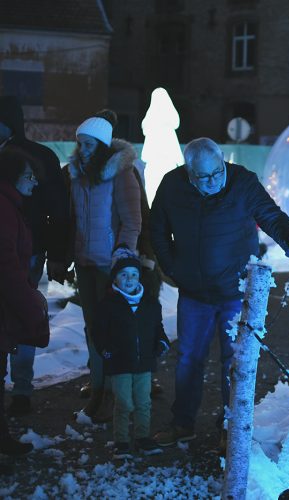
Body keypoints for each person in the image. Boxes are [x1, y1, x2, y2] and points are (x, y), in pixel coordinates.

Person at [150, 137, 289, 447]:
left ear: (223, 163)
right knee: (189, 360)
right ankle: (183, 423)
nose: (212, 181)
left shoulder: (242, 182)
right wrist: (172, 267)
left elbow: (269, 214)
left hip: (235, 291)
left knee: (234, 361)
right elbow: (157, 228)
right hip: (193, 292)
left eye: (217, 172)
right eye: (203, 176)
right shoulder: (172, 185)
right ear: (188, 172)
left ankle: (229, 427)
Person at [63, 109, 143, 422]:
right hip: (85, 262)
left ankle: (112, 394)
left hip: (110, 265)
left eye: (89, 144)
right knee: (93, 328)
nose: (82, 150)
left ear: (103, 146)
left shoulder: (121, 174)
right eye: (80, 143)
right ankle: (98, 387)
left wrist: (123, 257)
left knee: (112, 330)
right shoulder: (77, 174)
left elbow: (132, 220)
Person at [0, 96, 70, 417]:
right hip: (30, 246)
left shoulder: (36, 157)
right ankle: (19, 392)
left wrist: (58, 253)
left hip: (30, 248)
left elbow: (58, 210)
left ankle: (22, 389)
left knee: (25, 311)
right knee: (22, 312)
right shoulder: (39, 155)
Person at [92, 246, 170, 459]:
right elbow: (98, 332)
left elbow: (158, 327)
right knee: (124, 402)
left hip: (144, 362)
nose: (129, 279)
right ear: (115, 279)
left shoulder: (150, 304)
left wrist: (161, 341)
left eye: (134, 274)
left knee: (143, 402)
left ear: (140, 277)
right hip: (119, 362)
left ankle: (143, 437)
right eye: (123, 274)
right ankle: (122, 441)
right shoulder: (108, 305)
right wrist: (105, 350)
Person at [0, 147, 47, 471]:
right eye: (29, 177)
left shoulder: (9, 206)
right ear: (14, 178)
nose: (34, 183)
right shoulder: (4, 209)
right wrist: (31, 303)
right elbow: (7, 265)